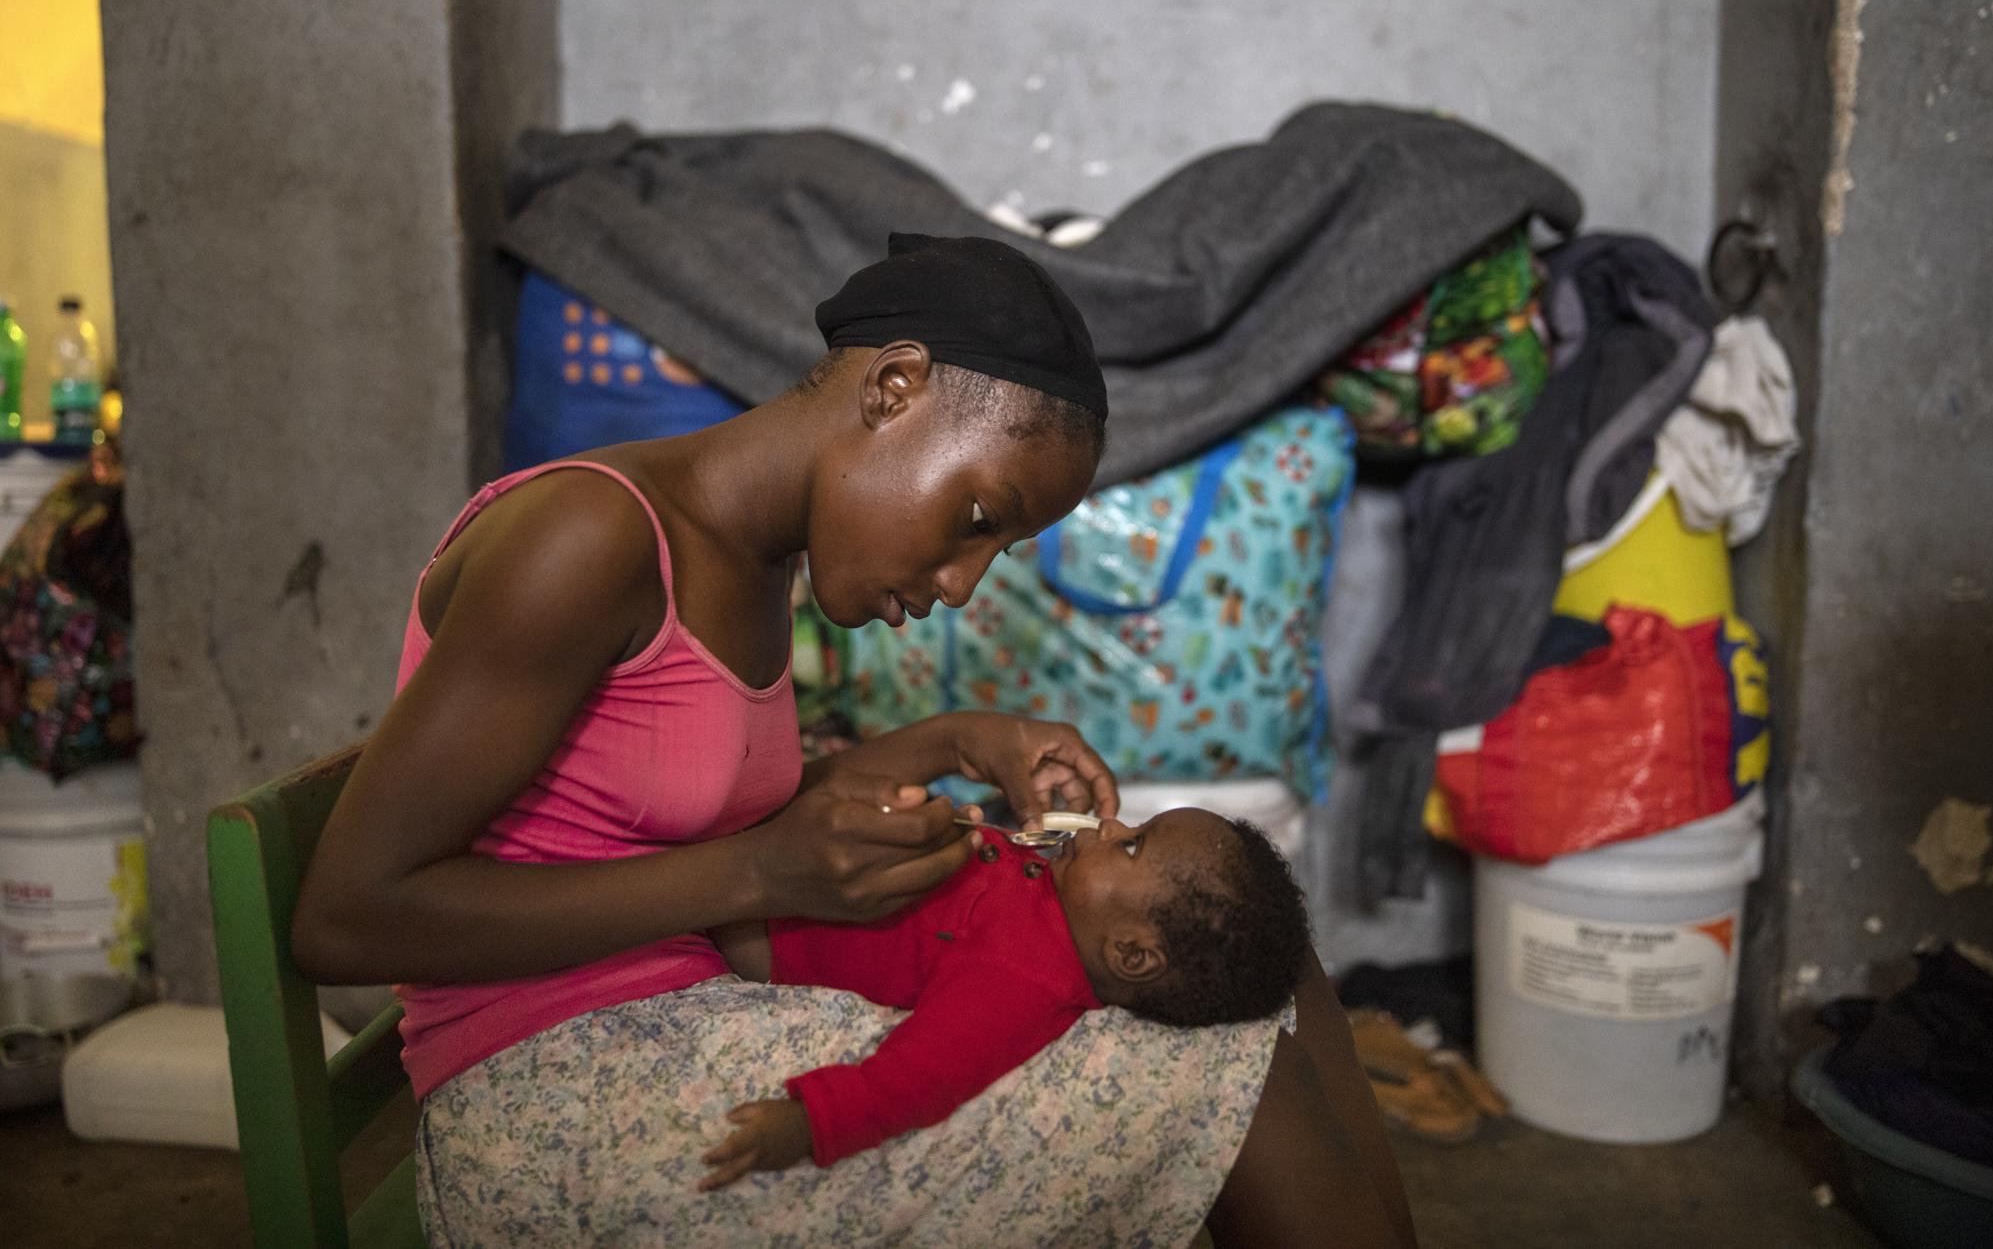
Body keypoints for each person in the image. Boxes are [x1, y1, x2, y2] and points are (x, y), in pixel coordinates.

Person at [293, 233, 1415, 1246]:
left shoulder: (756, 557)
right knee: (1229, 1081)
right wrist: (746, 872)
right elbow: (347, 917)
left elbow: (670, 807)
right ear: (893, 388)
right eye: (977, 518)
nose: (962, 581)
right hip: (550, 1092)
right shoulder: (586, 540)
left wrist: (964, 740)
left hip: (702, 1011)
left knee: (1264, 966)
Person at [699, 809, 1309, 1188]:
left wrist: (808, 1124)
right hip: (820, 881)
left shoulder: (1022, 981)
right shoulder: (1057, 907)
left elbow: (918, 1079)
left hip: (783, 934)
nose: (1109, 825)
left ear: (1130, 954)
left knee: (701, 850)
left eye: (1131, 845)